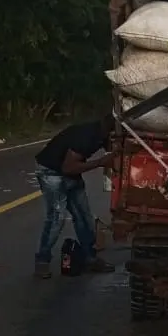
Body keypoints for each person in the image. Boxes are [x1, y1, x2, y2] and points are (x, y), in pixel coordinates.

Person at [33, 115, 116, 278]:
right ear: (109, 132)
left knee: (84, 216)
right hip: (52, 172)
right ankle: (42, 262)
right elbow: (68, 167)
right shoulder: (87, 137)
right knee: (57, 218)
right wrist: (100, 162)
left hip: (67, 172)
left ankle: (89, 258)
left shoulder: (100, 134)